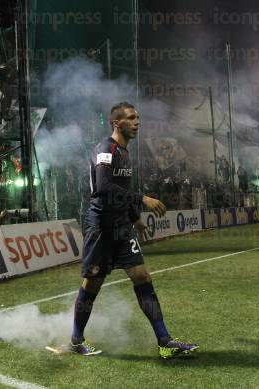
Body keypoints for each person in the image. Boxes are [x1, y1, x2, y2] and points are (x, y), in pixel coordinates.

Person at [70, 102, 198, 359]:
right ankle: (76, 339)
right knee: (92, 285)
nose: (137, 122)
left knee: (142, 276)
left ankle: (164, 341)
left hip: (121, 227)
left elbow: (120, 193)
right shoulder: (105, 149)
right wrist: (142, 199)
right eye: (131, 118)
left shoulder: (125, 153)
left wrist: (134, 218)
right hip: (101, 228)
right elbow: (104, 188)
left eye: (138, 117)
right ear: (116, 123)